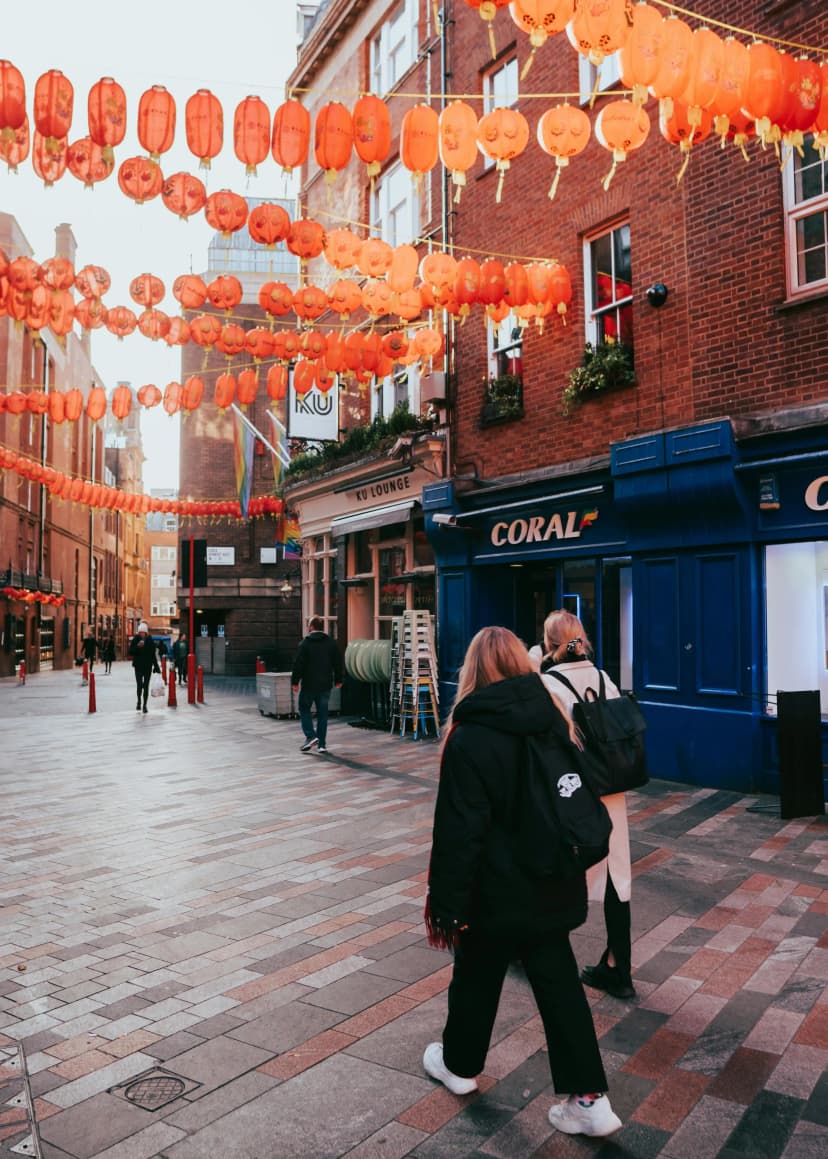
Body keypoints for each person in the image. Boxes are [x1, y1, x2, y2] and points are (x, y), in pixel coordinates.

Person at [423, 626, 622, 1138]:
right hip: (552, 881)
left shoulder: (469, 734)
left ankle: (461, 1067)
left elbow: (458, 832)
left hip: (494, 892)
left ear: (473, 670)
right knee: (560, 989)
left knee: (474, 978)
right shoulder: (551, 718)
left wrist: (445, 903)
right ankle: (590, 1101)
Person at [539, 610, 636, 1002]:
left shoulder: (548, 683)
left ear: (548, 642)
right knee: (616, 873)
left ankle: (539, 955)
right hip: (611, 788)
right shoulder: (603, 677)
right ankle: (619, 966)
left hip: (570, 792)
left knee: (556, 869)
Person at [290, 616, 343, 754]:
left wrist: (295, 682)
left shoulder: (305, 644)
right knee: (323, 714)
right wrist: (339, 680)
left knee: (304, 708)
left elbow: (298, 664)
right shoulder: (331, 643)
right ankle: (322, 745)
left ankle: (310, 736)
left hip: (309, 684)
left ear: (311, 627)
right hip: (325, 685)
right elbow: (338, 663)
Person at [128, 622, 160, 713]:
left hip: (147, 666)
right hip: (138, 666)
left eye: (143, 632)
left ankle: (145, 705)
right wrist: (137, 647)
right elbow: (130, 652)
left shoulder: (150, 641)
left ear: (146, 633)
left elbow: (153, 655)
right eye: (140, 632)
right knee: (139, 685)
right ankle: (139, 701)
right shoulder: (135, 640)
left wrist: (156, 667)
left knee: (146, 686)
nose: (142, 634)